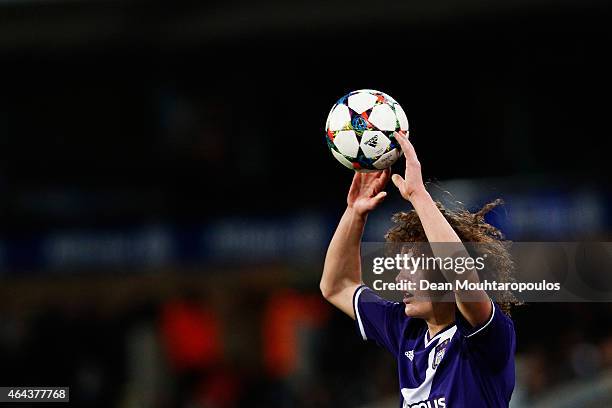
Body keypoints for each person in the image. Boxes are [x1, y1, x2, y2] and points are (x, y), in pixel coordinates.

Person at [320, 132, 516, 408]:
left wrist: (418, 195)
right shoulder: (405, 328)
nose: (400, 278)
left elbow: (461, 274)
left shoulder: (487, 337)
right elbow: (336, 286)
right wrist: (355, 212)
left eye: (411, 266)